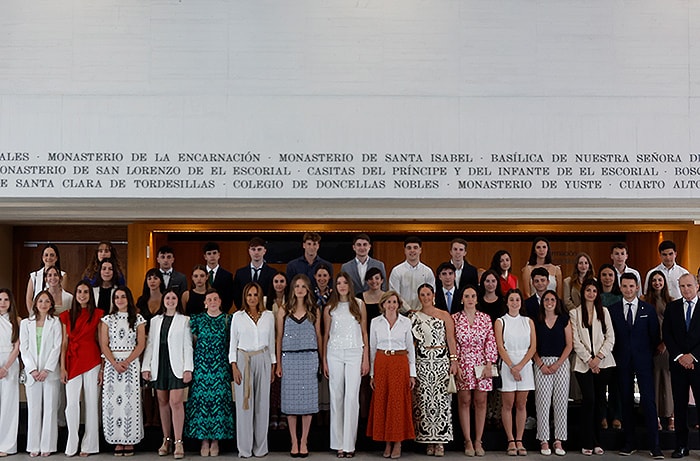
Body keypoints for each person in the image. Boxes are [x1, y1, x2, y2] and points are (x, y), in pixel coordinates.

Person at [609, 274, 663, 458]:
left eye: (631, 286)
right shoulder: (612, 310)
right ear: (620, 287)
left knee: (648, 401)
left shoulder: (648, 309)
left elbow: (655, 336)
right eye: (624, 286)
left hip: (644, 361)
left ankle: (655, 446)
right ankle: (629, 443)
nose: (628, 289)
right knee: (626, 401)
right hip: (622, 361)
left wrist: (646, 354)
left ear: (637, 287)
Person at [142, 289, 193, 460]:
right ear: (164, 300)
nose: (170, 300)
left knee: (176, 402)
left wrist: (188, 368)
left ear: (178, 301)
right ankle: (166, 439)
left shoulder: (184, 320)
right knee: (162, 401)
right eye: (168, 298)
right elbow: (150, 344)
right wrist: (146, 367)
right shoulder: (155, 321)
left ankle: (179, 441)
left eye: (174, 298)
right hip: (159, 364)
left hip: (176, 365)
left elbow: (188, 346)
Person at [323, 273, 369, 458]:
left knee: (351, 397)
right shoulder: (329, 308)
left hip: (354, 352)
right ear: (335, 286)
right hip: (334, 353)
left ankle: (350, 444)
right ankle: (338, 443)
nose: (342, 286)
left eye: (344, 282)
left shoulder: (359, 304)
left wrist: (366, 358)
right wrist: (324, 360)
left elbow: (364, 332)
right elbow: (326, 335)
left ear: (350, 285)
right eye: (338, 283)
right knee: (336, 397)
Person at [275, 274, 322, 457]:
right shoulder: (284, 310)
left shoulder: (314, 310)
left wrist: (320, 359)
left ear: (308, 289)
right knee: (291, 404)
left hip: (309, 357)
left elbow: (319, 336)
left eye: (303, 286)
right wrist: (279, 363)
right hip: (289, 359)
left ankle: (304, 441)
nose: (300, 289)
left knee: (308, 404)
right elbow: (279, 337)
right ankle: (294, 441)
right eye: (297, 286)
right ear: (292, 289)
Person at [410, 283, 459, 456]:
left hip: (440, 361)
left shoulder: (444, 315)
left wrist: (454, 361)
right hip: (422, 362)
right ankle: (427, 441)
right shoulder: (415, 317)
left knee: (441, 402)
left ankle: (440, 441)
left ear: (434, 295)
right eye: (422, 295)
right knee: (423, 401)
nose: (425, 297)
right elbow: (412, 344)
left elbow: (451, 339)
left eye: (428, 294)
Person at [185, 289, 235, 457]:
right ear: (205, 302)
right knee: (201, 404)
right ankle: (203, 440)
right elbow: (190, 343)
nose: (212, 302)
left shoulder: (228, 319)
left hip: (220, 368)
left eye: (215, 299)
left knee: (219, 404)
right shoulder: (197, 319)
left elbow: (231, 343)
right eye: (209, 299)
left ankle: (216, 441)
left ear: (220, 301)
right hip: (201, 368)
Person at [367, 290, 416, 459]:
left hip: (399, 363)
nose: (391, 305)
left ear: (398, 304)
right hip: (382, 363)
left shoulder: (405, 322)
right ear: (383, 304)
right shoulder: (375, 322)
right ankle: (386, 442)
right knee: (383, 401)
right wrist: (372, 374)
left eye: (394, 302)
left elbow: (411, 348)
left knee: (397, 403)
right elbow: (372, 349)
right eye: (388, 302)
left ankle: (398, 442)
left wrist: (412, 374)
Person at [230, 282, 276, 459]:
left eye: (255, 294)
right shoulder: (238, 317)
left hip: (263, 358)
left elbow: (271, 341)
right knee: (244, 406)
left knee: (262, 405)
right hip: (244, 360)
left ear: (260, 296)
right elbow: (232, 344)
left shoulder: (269, 316)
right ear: (244, 297)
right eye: (249, 295)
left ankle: (261, 448)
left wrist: (272, 365)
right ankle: (245, 449)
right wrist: (234, 366)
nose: (252, 298)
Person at [570, 279, 616, 456]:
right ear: (583, 292)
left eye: (594, 291)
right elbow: (575, 341)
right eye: (588, 290)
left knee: (599, 402)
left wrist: (598, 358)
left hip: (604, 363)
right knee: (589, 400)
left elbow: (610, 337)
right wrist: (589, 360)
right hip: (583, 364)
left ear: (598, 294)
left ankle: (597, 441)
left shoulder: (603, 311)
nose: (591, 293)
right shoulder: (575, 313)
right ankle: (586, 441)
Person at [99, 287, 146, 456]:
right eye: (117, 297)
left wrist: (126, 361)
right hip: (112, 364)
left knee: (130, 402)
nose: (120, 300)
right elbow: (104, 344)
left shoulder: (138, 319)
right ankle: (116, 439)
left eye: (123, 297)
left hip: (131, 364)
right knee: (112, 403)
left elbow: (141, 344)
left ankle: (130, 439)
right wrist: (113, 363)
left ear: (129, 299)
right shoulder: (107, 320)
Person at [60, 281, 104, 457]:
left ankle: (90, 444)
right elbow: (64, 343)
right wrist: (62, 367)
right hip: (73, 361)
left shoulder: (98, 314)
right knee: (71, 405)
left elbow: (102, 342)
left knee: (92, 403)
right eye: (79, 291)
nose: (82, 295)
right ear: (75, 294)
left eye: (86, 292)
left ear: (90, 295)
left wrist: (102, 368)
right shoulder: (66, 315)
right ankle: (72, 441)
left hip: (93, 360)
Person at [453, 286, 498, 457]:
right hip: (463, 361)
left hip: (482, 362)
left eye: (473, 296)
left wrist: (489, 363)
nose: (470, 299)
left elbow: (490, 341)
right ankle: (467, 440)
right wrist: (455, 363)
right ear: (462, 299)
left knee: (481, 400)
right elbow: (453, 342)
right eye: (467, 296)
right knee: (464, 400)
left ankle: (478, 439)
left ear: (477, 299)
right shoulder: (455, 318)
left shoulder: (485, 318)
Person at [20, 291, 63, 457]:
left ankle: (48, 445)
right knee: (34, 409)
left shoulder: (56, 322)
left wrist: (46, 369)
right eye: (40, 301)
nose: (43, 304)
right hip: (32, 373)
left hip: (49, 373)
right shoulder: (26, 323)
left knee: (50, 409)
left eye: (46, 301)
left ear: (51, 304)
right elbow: (24, 348)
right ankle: (33, 445)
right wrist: (32, 369)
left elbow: (57, 346)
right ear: (35, 303)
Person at [662, 274, 700, 459]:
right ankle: (681, 446)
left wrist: (692, 357)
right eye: (682, 286)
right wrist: (680, 357)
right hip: (678, 365)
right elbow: (667, 334)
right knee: (680, 406)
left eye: (689, 285)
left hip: (698, 365)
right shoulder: (672, 307)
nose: (686, 289)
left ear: (697, 286)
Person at [495, 289, 536, 456]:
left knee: (521, 404)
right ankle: (510, 440)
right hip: (507, 364)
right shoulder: (500, 321)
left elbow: (533, 346)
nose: (514, 302)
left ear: (521, 302)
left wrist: (521, 366)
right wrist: (512, 366)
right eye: (511, 299)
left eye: (517, 299)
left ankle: (520, 439)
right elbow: (500, 346)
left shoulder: (528, 321)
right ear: (507, 302)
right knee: (508, 404)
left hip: (525, 364)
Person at [532, 290, 572, 457]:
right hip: (541, 364)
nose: (549, 302)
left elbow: (569, 345)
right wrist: (540, 364)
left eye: (552, 299)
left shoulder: (564, 320)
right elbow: (532, 346)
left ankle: (558, 439)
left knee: (561, 402)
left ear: (557, 302)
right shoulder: (536, 320)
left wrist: (557, 364)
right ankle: (544, 439)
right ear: (542, 302)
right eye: (546, 299)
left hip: (560, 364)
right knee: (542, 402)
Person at [643, 270, 674, 431]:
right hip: (650, 347)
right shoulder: (645, 301)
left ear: (664, 282)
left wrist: (664, 343)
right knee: (653, 382)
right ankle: (655, 418)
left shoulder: (672, 301)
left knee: (668, 382)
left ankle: (670, 417)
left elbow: (674, 327)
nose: (657, 282)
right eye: (654, 280)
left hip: (666, 347)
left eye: (659, 280)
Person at [267, 271, 289, 432]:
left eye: (282, 281)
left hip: (287, 346)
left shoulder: (291, 302)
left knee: (285, 382)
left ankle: (284, 413)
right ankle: (273, 413)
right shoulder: (266, 302)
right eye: (276, 281)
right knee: (273, 381)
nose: (279, 284)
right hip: (270, 346)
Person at [389, 236, 435, 312]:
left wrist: (419, 310)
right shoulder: (396, 271)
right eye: (409, 248)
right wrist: (408, 310)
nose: (412, 250)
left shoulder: (428, 272)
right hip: (401, 314)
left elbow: (431, 294)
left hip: (423, 313)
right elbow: (394, 295)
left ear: (420, 250)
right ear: (405, 250)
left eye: (415, 247)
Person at [0, 289, 20, 457]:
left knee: (9, 404)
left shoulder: (17, 321)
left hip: (10, 363)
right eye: (0, 299)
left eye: (6, 299)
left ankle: (6, 445)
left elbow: (17, 347)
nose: (3, 303)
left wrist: (5, 367)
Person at [233, 237, 278, 310]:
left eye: (259, 249)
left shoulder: (272, 273)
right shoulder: (240, 273)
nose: (256, 252)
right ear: (249, 251)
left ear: (264, 251)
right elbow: (237, 296)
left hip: (265, 311)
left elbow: (273, 295)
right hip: (245, 312)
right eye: (253, 249)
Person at [26, 244, 65, 311]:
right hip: (37, 313)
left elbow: (62, 296)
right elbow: (29, 298)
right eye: (46, 255)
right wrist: (33, 314)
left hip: (55, 312)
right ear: (42, 257)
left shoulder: (62, 275)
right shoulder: (34, 276)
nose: (49, 258)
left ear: (56, 258)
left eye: (52, 255)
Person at [203, 242, 235, 312]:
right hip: (202, 315)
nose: (212, 256)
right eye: (209, 254)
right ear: (205, 256)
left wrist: (220, 313)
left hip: (221, 314)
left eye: (214, 253)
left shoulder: (227, 276)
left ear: (219, 255)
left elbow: (229, 299)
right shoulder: (200, 274)